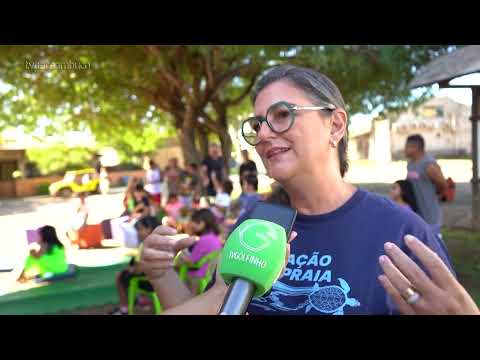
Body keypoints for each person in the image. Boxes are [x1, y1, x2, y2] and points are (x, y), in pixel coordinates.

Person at [139, 64, 472, 315]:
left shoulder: (402, 232)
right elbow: (214, 306)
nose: (264, 134)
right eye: (257, 124)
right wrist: (162, 274)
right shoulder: (257, 223)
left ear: (336, 125)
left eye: (282, 115)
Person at [111, 216, 160, 315]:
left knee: (120, 276)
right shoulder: (163, 242)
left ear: (150, 229)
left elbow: (138, 269)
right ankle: (142, 300)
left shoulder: (145, 246)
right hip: (163, 280)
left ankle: (125, 308)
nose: (138, 233)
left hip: (150, 283)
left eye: (141, 229)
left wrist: (132, 269)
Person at [405, 134, 448, 237]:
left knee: (433, 246)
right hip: (416, 213)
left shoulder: (429, 165)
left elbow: (443, 185)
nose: (404, 150)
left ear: (416, 147)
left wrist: (433, 196)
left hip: (430, 215)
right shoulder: (410, 164)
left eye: (407, 147)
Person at [175, 208, 223, 294]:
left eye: (194, 222)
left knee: (179, 259)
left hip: (197, 275)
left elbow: (191, 261)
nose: (191, 224)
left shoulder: (203, 240)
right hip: (209, 273)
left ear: (202, 223)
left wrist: (180, 253)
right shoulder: (214, 238)